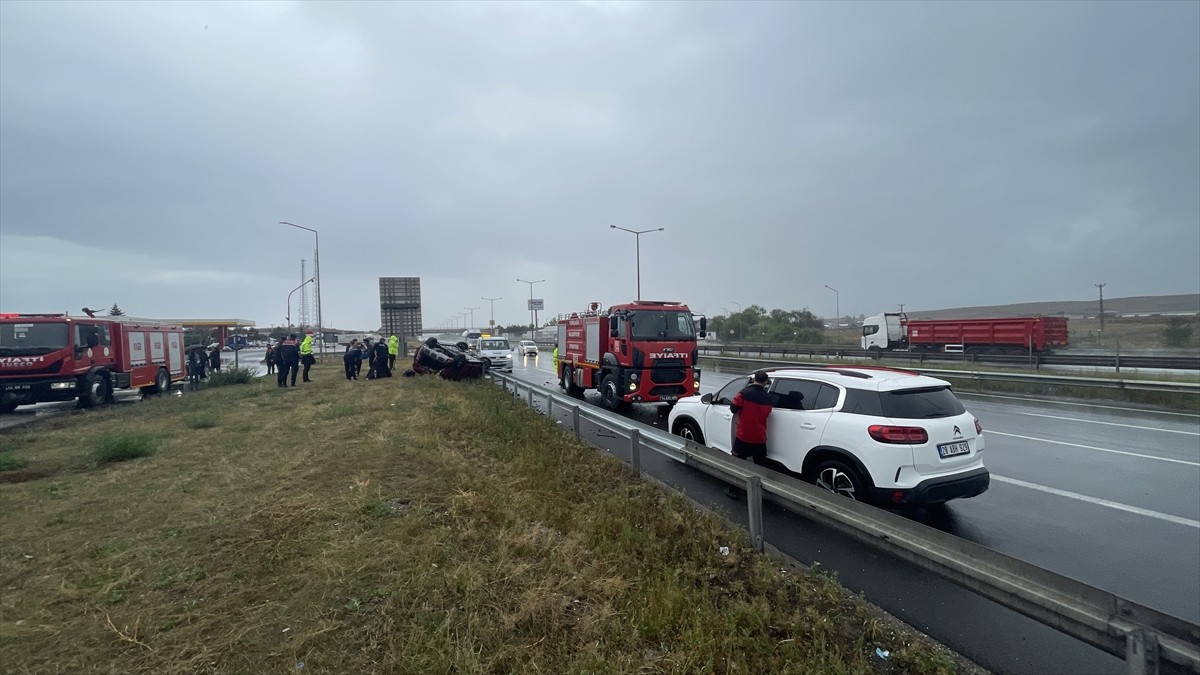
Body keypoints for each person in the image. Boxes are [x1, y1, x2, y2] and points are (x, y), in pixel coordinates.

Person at [725, 370, 781, 498]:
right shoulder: (768, 398)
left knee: (737, 465)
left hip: (743, 436)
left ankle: (733, 490)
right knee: (761, 466)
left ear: (754, 379)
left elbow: (733, 408)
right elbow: (767, 413)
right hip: (760, 438)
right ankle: (761, 492)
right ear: (766, 382)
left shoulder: (744, 393)